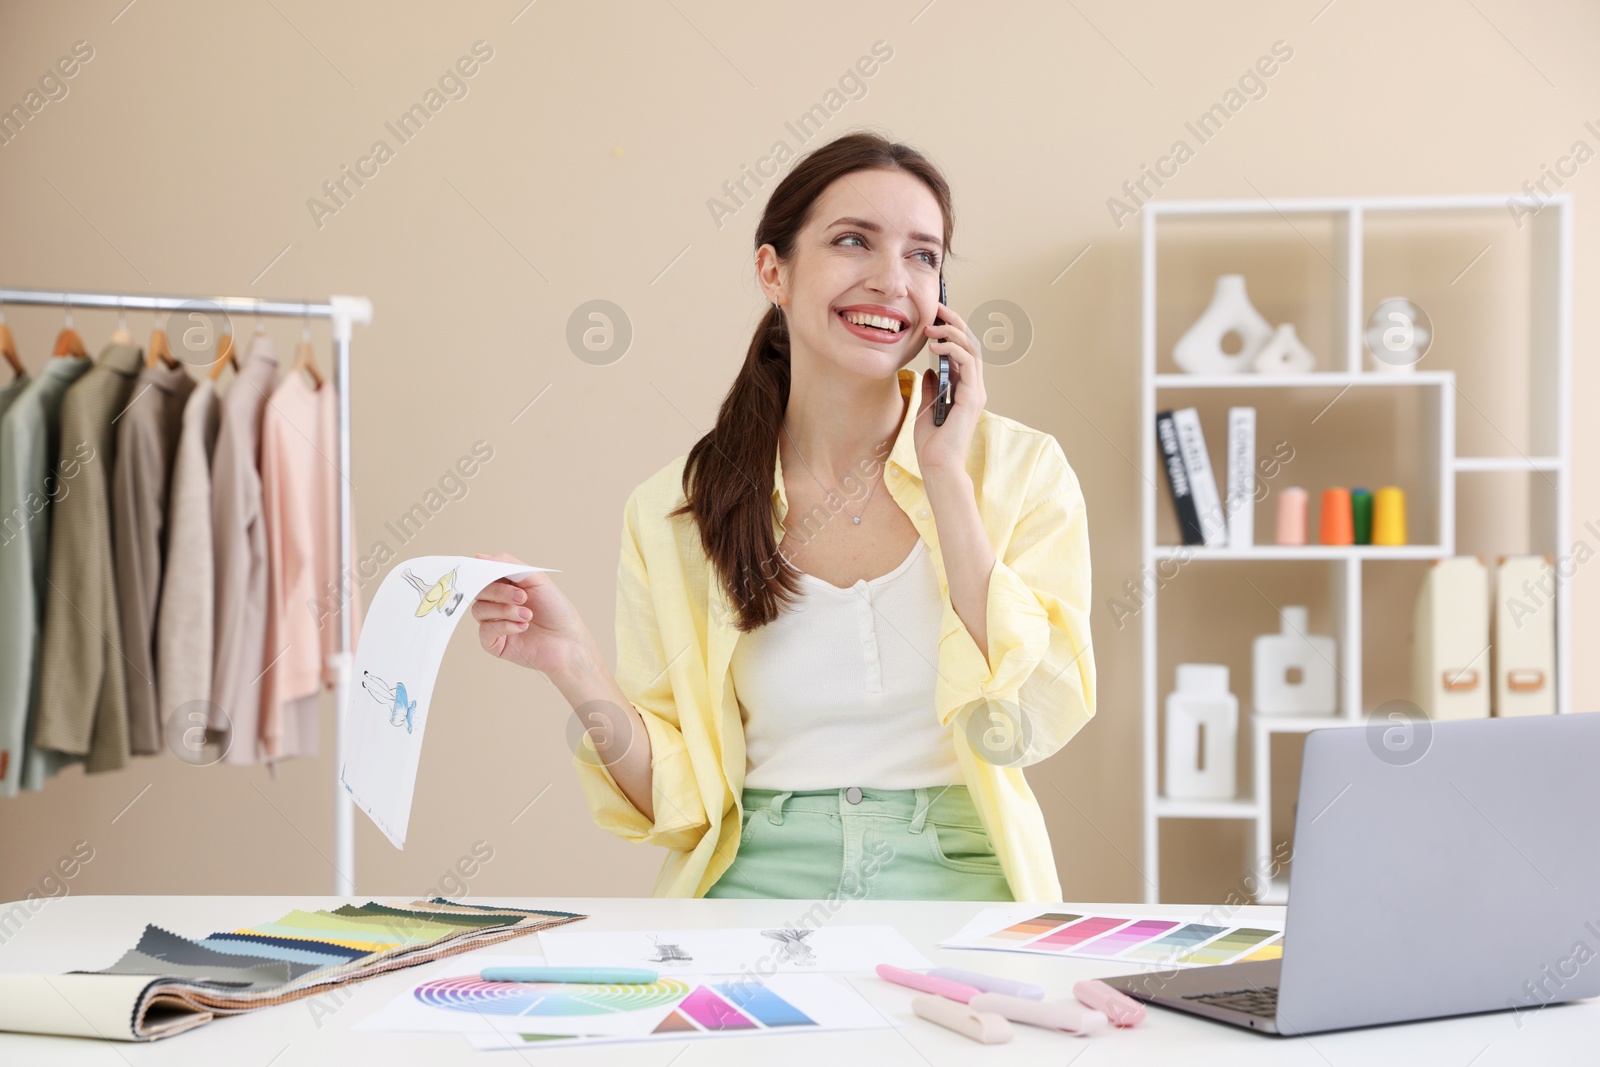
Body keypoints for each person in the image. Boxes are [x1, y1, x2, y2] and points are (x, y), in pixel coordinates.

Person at [472, 130, 1095, 902]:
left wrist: (942, 474)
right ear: (774, 271)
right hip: (753, 886)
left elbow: (1030, 709)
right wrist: (573, 665)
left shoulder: (1020, 473)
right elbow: (677, 805)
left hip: (962, 880)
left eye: (923, 255)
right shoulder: (679, 510)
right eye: (852, 241)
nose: (892, 280)